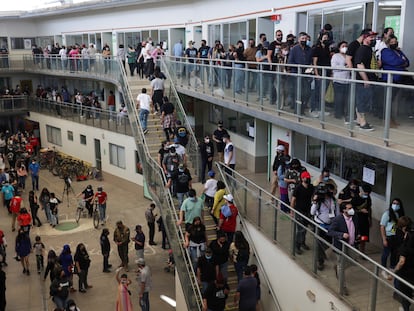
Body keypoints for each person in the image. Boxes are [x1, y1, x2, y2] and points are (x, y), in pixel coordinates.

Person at [328, 202, 359, 296]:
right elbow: (330, 232)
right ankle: (343, 287)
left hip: (352, 245)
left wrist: (358, 234)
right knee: (341, 266)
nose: (351, 210)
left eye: (351, 208)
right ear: (344, 210)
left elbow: (356, 227)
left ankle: (337, 268)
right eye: (349, 208)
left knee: (353, 260)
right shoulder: (338, 219)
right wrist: (341, 235)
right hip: (341, 247)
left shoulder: (355, 217)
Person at [353, 30, 378, 131]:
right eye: (371, 37)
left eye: (374, 37)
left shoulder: (369, 49)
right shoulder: (362, 50)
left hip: (368, 79)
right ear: (365, 38)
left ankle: (360, 121)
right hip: (363, 80)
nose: (373, 39)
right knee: (362, 101)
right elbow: (359, 65)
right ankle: (362, 123)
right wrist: (366, 80)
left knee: (363, 100)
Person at [310, 183, 337, 270]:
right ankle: (320, 261)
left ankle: (321, 253)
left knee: (329, 242)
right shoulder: (318, 201)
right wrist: (315, 202)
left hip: (330, 225)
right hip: (320, 225)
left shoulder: (332, 200)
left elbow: (336, 211)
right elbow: (312, 212)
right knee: (319, 243)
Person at [380, 198, 405, 280]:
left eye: (397, 204)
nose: (395, 205)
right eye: (394, 203)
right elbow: (382, 226)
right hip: (389, 236)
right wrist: (384, 238)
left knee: (394, 253)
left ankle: (392, 268)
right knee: (386, 253)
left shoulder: (399, 214)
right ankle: (383, 269)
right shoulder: (387, 214)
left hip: (397, 237)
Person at [290, 171, 314, 255]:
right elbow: (293, 200)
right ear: (302, 178)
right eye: (306, 178)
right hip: (299, 211)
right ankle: (297, 246)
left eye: (309, 177)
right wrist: (292, 211)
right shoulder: (298, 188)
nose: (308, 179)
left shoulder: (311, 187)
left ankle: (303, 243)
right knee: (300, 230)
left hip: (307, 211)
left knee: (305, 229)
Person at [393, 216, 414, 311]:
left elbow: (401, 262)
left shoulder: (405, 247)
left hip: (405, 274)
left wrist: (393, 271)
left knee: (405, 295)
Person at [331, 41, 350, 121]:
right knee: (339, 98)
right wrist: (344, 67)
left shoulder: (348, 56)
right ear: (339, 48)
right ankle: (338, 114)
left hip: (347, 80)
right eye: (343, 46)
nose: (345, 47)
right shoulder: (336, 56)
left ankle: (346, 114)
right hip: (338, 80)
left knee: (346, 99)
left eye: (346, 46)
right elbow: (334, 67)